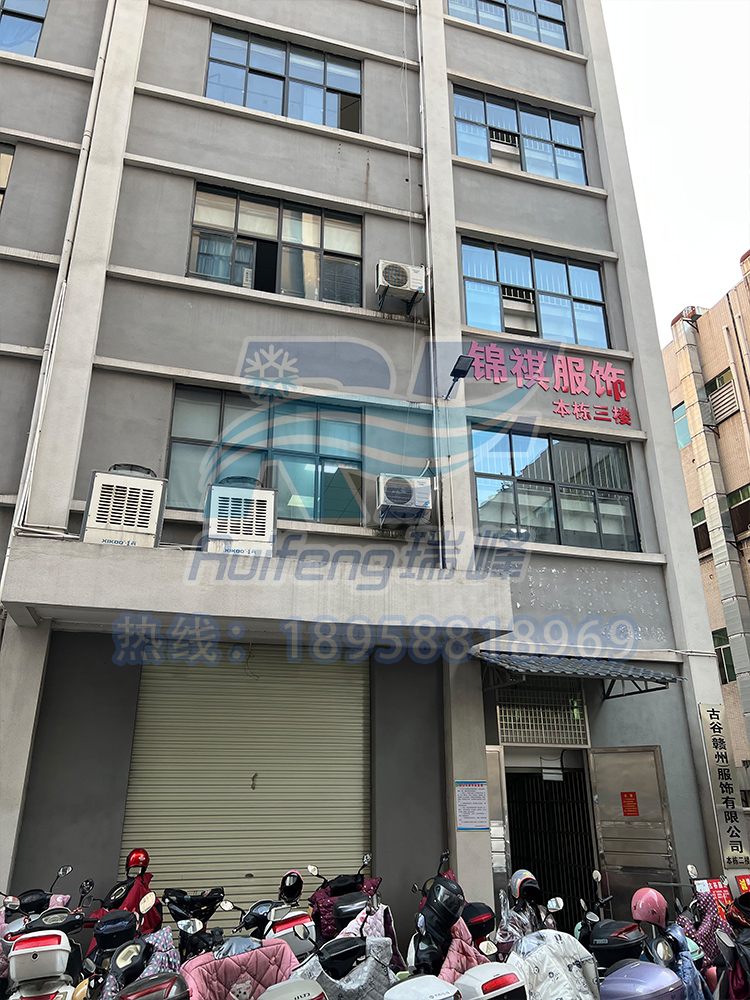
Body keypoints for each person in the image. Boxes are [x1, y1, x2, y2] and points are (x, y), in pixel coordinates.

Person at [508, 869, 556, 935]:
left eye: (531, 891)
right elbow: (506, 938)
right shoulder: (512, 917)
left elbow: (553, 935)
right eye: (525, 891)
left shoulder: (543, 913)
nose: (528, 895)